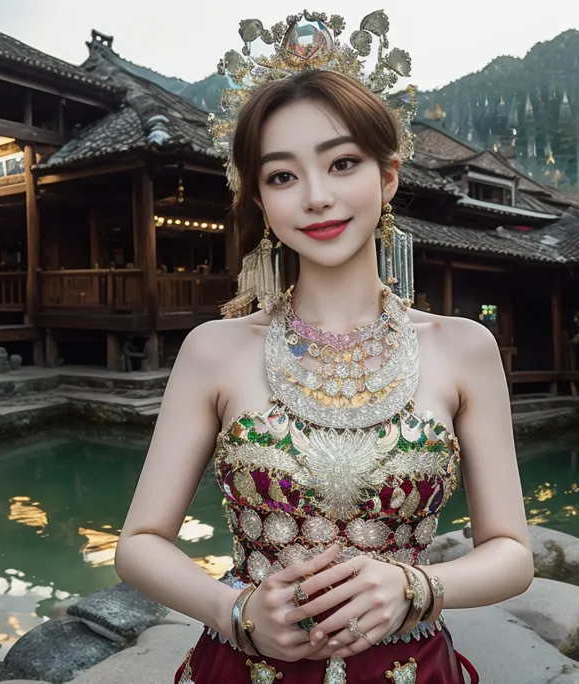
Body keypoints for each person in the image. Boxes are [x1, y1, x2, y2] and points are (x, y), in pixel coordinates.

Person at [114, 11, 532, 683]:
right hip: (248, 665)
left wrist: (413, 587)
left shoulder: (465, 349)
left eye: (342, 163)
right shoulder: (213, 351)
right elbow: (138, 545)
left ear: (388, 175)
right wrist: (237, 611)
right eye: (282, 176)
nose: (316, 196)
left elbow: (511, 552)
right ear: (260, 196)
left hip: (411, 664)